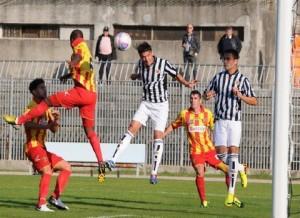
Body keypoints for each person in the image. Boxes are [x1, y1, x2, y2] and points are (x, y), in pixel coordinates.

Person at [3, 29, 106, 183]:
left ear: (72, 40)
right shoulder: (88, 51)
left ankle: (19, 120)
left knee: (46, 102)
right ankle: (101, 164)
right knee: (90, 132)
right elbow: (81, 67)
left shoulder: (79, 45)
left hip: (81, 92)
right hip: (92, 96)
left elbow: (77, 56)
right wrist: (67, 74)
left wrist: (72, 62)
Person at [105, 42, 197, 184]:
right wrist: (135, 76)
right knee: (131, 128)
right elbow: (143, 75)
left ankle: (154, 173)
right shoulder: (141, 64)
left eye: (148, 56)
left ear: (151, 53)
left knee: (157, 136)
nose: (146, 59)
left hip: (161, 106)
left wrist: (187, 83)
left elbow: (176, 74)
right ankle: (113, 160)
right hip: (146, 103)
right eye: (143, 57)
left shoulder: (163, 63)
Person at [163, 90, 245, 208]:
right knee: (200, 172)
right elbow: (173, 125)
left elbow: (215, 129)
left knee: (228, 170)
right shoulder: (184, 114)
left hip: (209, 150)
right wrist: (163, 134)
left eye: (195, 98)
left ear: (200, 100)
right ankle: (204, 201)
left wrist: (223, 143)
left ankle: (232, 195)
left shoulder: (207, 113)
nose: (193, 100)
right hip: (195, 152)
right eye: (191, 98)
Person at [204, 49, 257, 206]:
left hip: (234, 122)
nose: (225, 61)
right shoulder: (218, 77)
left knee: (233, 154)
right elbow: (206, 93)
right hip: (219, 121)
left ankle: (231, 194)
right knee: (220, 157)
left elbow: (254, 101)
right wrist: (208, 95)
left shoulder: (242, 80)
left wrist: (240, 95)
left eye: (228, 59)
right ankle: (241, 168)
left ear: (236, 61)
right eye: (223, 59)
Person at [24, 78, 71, 212]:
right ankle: (41, 204)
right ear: (33, 92)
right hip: (33, 147)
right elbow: (26, 123)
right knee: (47, 171)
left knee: (66, 167)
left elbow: (54, 130)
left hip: (42, 147)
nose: (44, 89)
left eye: (44, 87)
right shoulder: (31, 107)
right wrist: (46, 125)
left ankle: (55, 198)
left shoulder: (47, 107)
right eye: (41, 88)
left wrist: (56, 120)